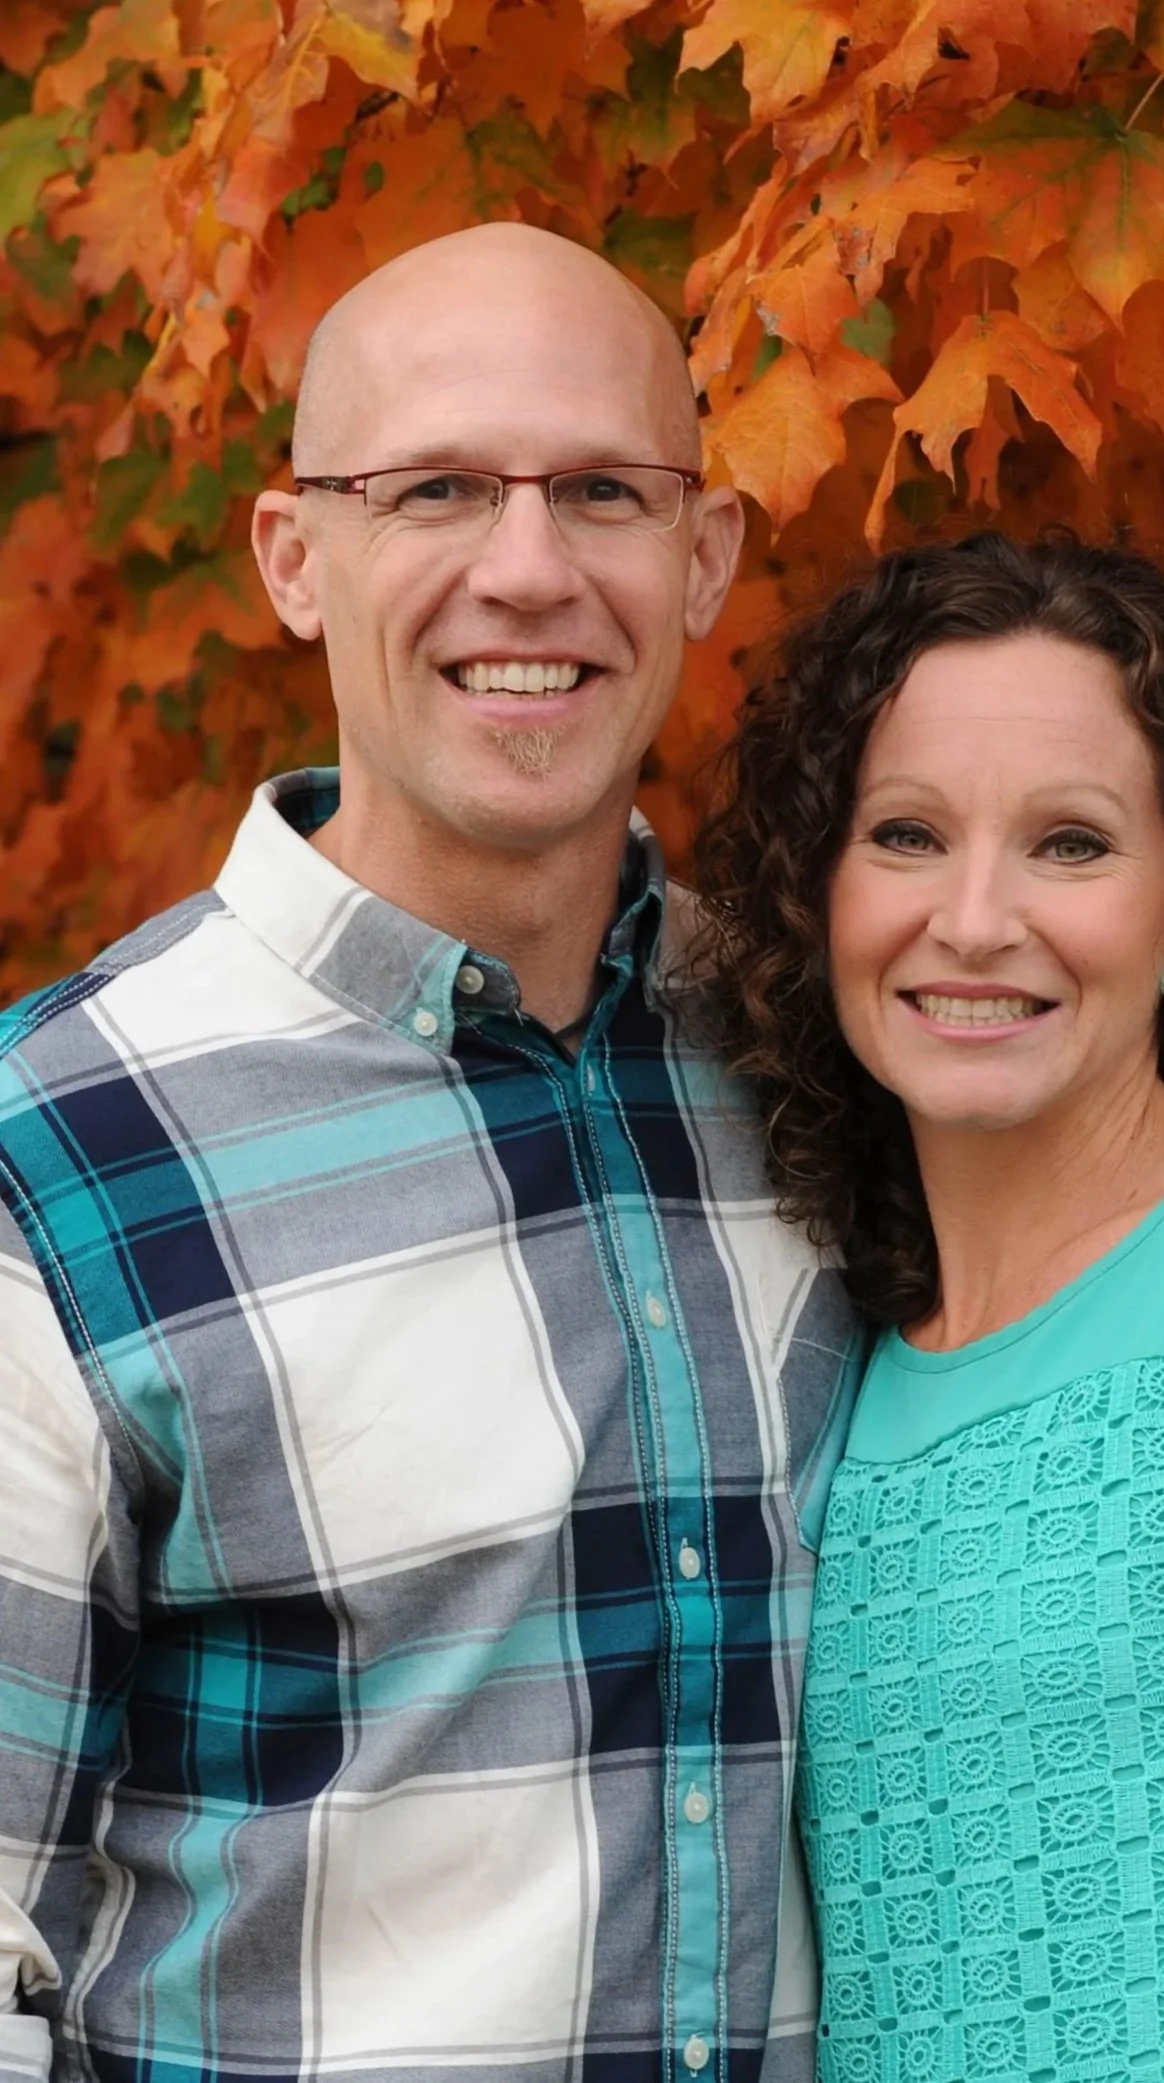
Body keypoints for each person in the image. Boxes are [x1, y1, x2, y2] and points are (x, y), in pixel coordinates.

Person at [0, 224, 864, 2083]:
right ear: (294, 558)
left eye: (605, 491)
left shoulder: (834, 1071)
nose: (530, 569)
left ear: (703, 556)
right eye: (440, 488)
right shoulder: (56, 1153)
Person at [695, 531, 1164, 2082]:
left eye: (1069, 844)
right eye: (904, 834)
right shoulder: (825, 1375)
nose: (975, 916)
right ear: (819, 899)